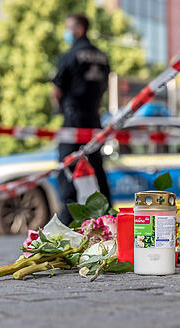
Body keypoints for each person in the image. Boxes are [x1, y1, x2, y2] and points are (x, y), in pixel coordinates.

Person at [51, 14, 111, 223]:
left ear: (79, 29)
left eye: (69, 28)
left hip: (72, 121)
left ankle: (68, 220)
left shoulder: (69, 56)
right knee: (96, 169)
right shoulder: (102, 56)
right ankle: (105, 217)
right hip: (94, 121)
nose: (67, 33)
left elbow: (56, 91)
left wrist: (58, 109)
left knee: (67, 167)